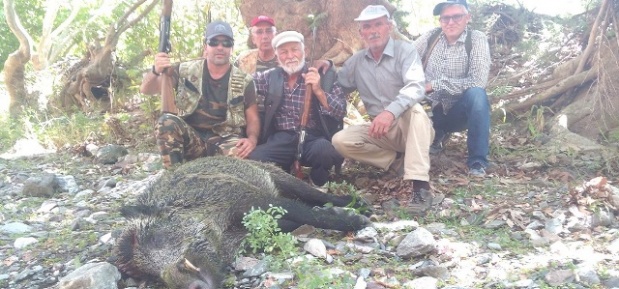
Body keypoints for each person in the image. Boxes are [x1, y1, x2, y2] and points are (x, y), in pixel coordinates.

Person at [331, 5, 439, 212]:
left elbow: (416, 87)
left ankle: (421, 187)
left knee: (415, 110)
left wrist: (389, 112)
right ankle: (396, 162)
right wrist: (324, 67)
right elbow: (337, 86)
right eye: (367, 26)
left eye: (378, 24)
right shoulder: (356, 62)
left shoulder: (405, 51)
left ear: (388, 27)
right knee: (340, 140)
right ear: (361, 33)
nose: (373, 30)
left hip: (411, 127)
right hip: (381, 132)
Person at [140, 20, 260, 168]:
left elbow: (253, 117)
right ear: (206, 46)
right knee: (166, 122)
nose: (220, 47)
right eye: (214, 42)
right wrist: (155, 70)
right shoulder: (184, 70)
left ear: (232, 48)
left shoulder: (245, 81)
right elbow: (147, 89)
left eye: (226, 43)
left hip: (225, 139)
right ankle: (173, 177)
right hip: (191, 138)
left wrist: (252, 139)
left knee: (246, 159)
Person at [248, 31, 345, 187]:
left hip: (312, 137)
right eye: (284, 52)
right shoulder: (269, 77)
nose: (290, 56)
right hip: (281, 138)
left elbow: (340, 110)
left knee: (325, 151)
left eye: (295, 49)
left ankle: (318, 184)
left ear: (304, 52)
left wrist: (319, 91)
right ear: (277, 57)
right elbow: (244, 83)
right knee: (255, 158)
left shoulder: (323, 75)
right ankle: (279, 181)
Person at [414, 0, 491, 177]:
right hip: (430, 109)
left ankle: (477, 161)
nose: (450, 22)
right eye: (445, 18)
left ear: (467, 18)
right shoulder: (431, 37)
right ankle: (434, 135)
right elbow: (406, 57)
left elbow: (477, 81)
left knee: (477, 95)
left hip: (459, 111)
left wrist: (436, 84)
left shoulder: (476, 39)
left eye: (456, 16)